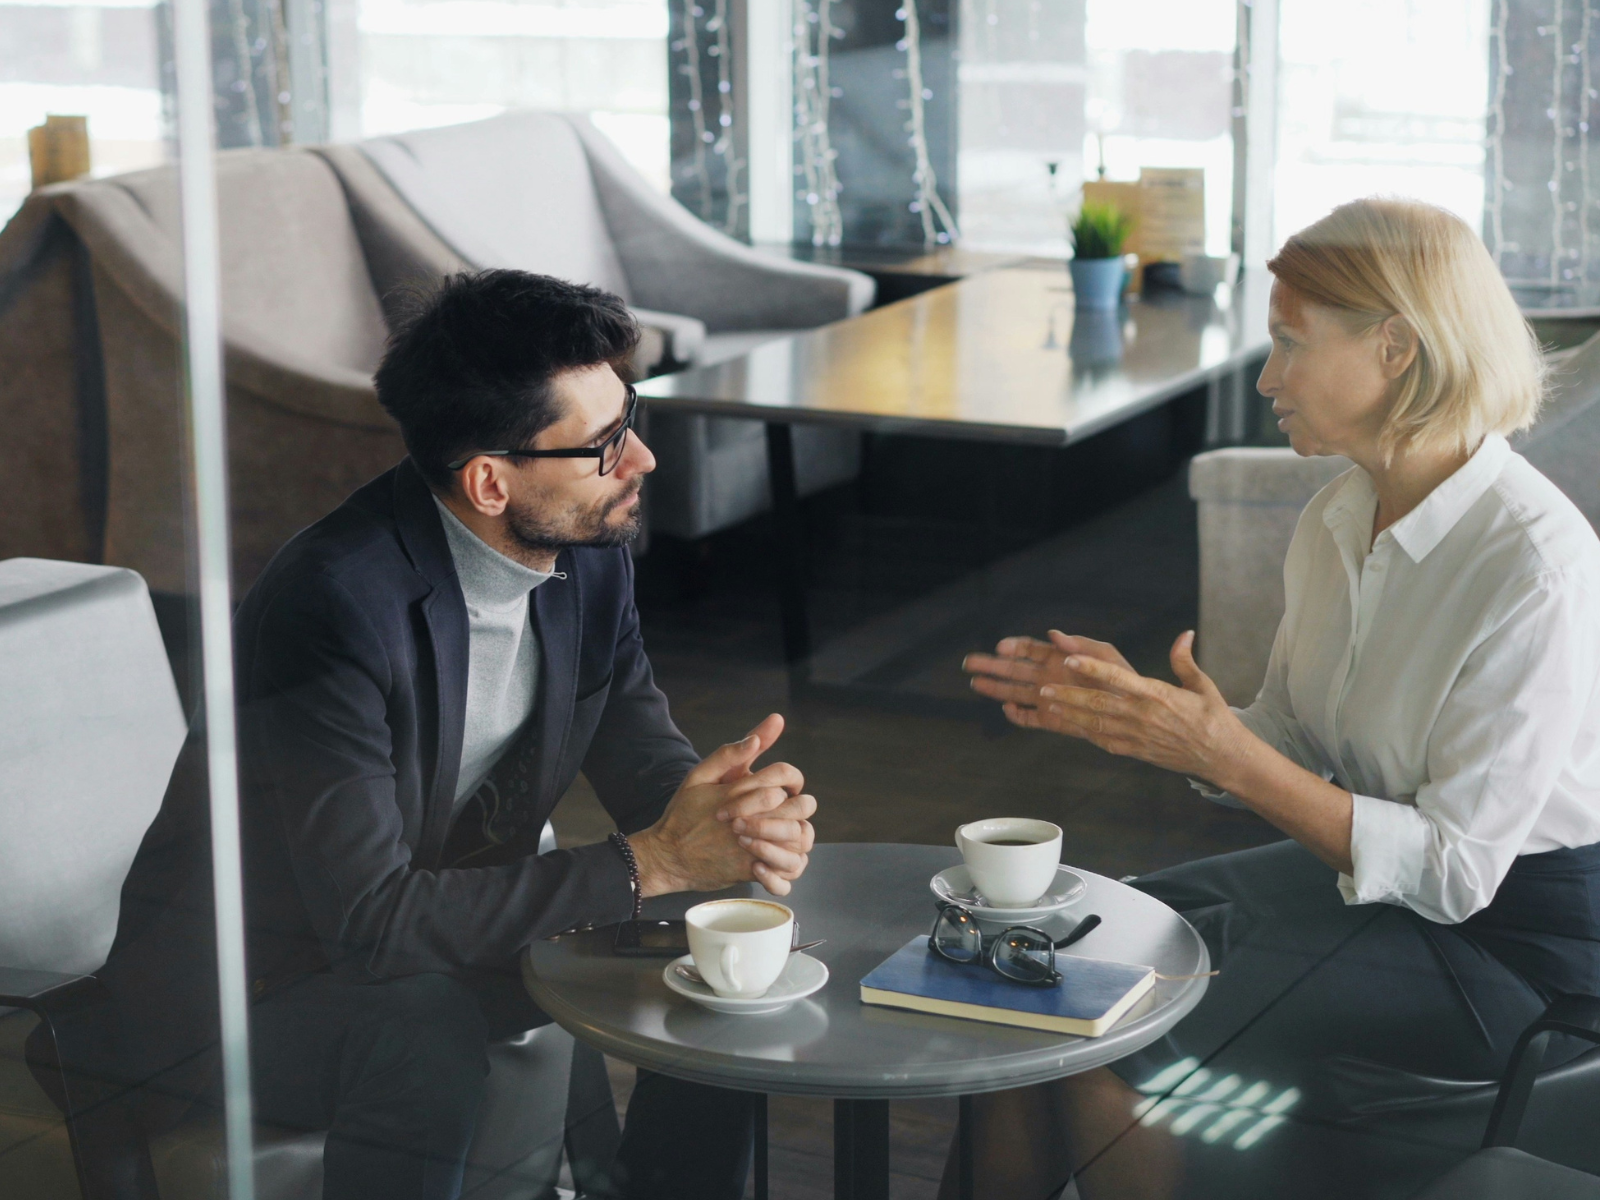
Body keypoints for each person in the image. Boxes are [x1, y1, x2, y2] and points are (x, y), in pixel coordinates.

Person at [71, 270, 817, 1200]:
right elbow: (369, 923)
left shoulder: (585, 552)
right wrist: (650, 863)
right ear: (490, 481)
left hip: (428, 932)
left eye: (631, 418)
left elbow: (637, 746)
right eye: (605, 445)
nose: (642, 462)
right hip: (248, 991)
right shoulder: (333, 603)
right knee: (423, 1021)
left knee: (729, 934)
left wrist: (728, 816)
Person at [959, 198, 1600, 1197]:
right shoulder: (1339, 514)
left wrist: (1221, 753)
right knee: (1024, 969)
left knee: (1130, 1038)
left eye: (1290, 343)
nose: (1267, 377)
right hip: (1381, 888)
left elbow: (1455, 870)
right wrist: (1152, 722)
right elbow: (1291, 741)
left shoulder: (1534, 566)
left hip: (1516, 946)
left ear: (1394, 349)